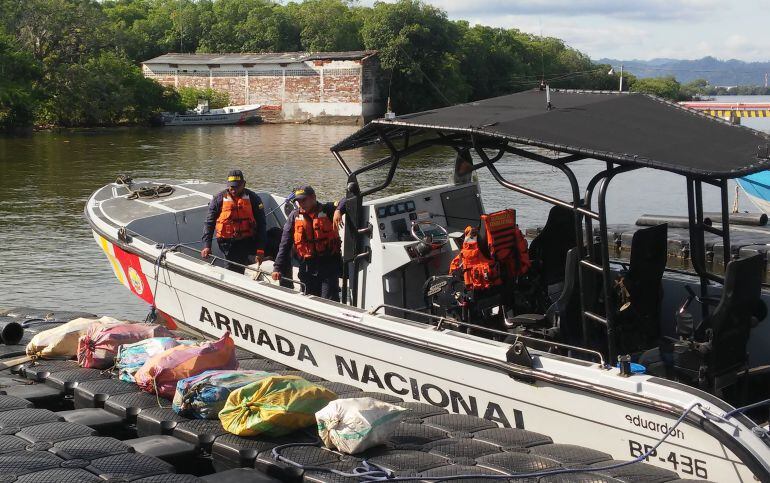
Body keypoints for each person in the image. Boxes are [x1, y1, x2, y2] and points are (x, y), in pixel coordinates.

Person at [271, 186, 345, 301]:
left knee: (329, 300)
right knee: (309, 300)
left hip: (328, 266)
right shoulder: (294, 216)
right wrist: (277, 267)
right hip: (307, 267)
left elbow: (347, 199)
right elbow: (284, 244)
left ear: (313, 198)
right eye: (298, 201)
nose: (301, 204)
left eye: (304, 200)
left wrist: (339, 210)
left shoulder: (328, 209)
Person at [201, 170, 267, 273]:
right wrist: (207, 245)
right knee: (231, 270)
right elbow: (209, 223)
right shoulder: (219, 199)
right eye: (231, 187)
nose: (233, 190)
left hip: (248, 240)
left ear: (244, 184)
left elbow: (262, 224)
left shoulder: (254, 199)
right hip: (228, 244)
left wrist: (260, 249)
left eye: (237, 186)